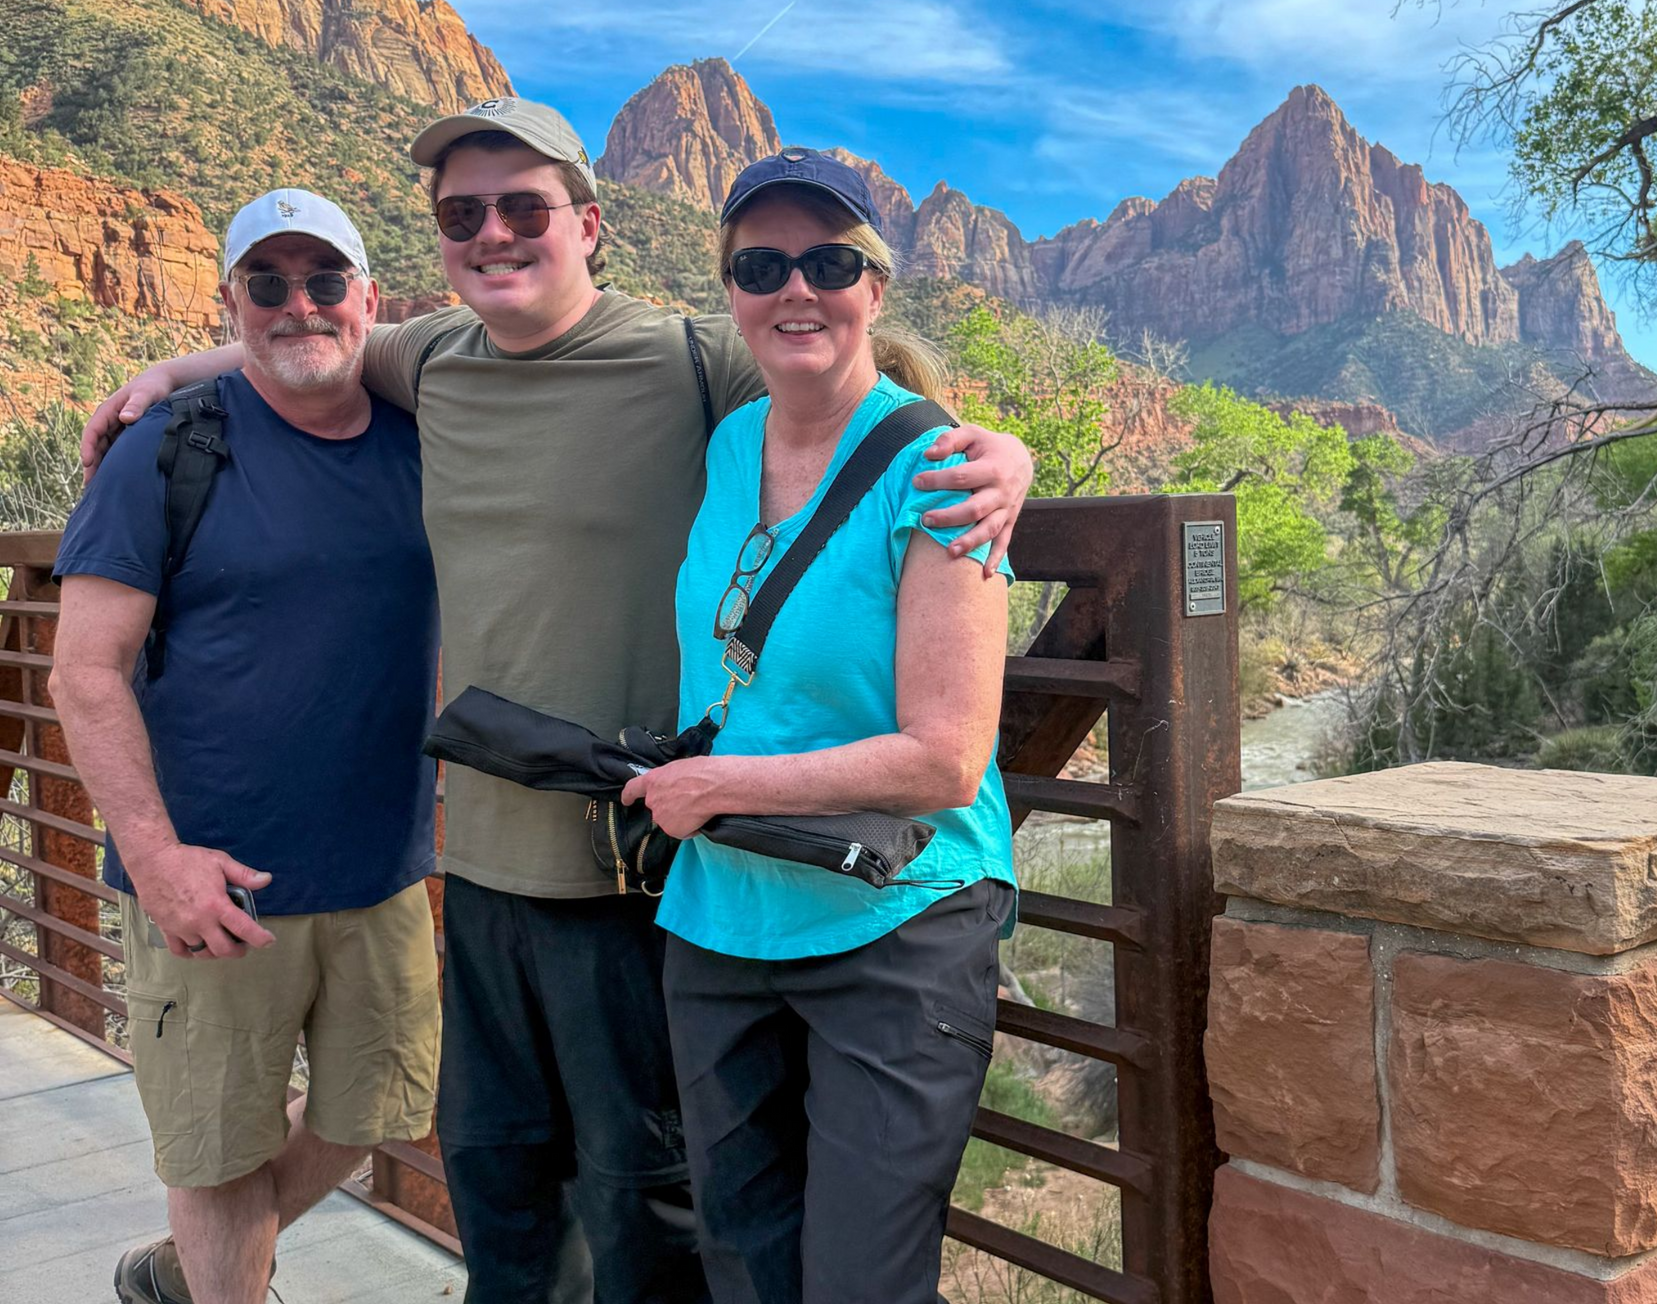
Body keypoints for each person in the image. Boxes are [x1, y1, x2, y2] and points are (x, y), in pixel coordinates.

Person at [82, 100, 1034, 1304]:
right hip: (481, 861)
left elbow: (856, 387)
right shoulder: (429, 357)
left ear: (589, 225)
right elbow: (305, 338)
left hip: (644, 863)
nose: (495, 233)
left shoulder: (695, 357)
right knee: (500, 1179)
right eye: (463, 215)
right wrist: (174, 368)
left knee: (649, 1204)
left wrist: (1000, 455)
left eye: (524, 208)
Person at [618, 150, 1016, 1304]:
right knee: (742, 1261)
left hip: (894, 922)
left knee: (861, 1283)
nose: (797, 287)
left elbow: (947, 757)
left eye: (829, 260)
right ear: (732, 291)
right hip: (726, 913)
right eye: (762, 264)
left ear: (874, 287)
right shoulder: (731, 444)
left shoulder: (943, 468)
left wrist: (725, 790)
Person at [51, 190, 441, 1304]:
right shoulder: (168, 451)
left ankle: (191, 1276)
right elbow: (84, 669)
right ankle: (226, 1279)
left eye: (324, 281)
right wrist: (158, 857)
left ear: (369, 298)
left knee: (379, 1113)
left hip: (382, 871)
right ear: (230, 301)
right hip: (209, 882)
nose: (297, 304)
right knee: (216, 1150)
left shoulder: (424, 435)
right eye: (265, 285)